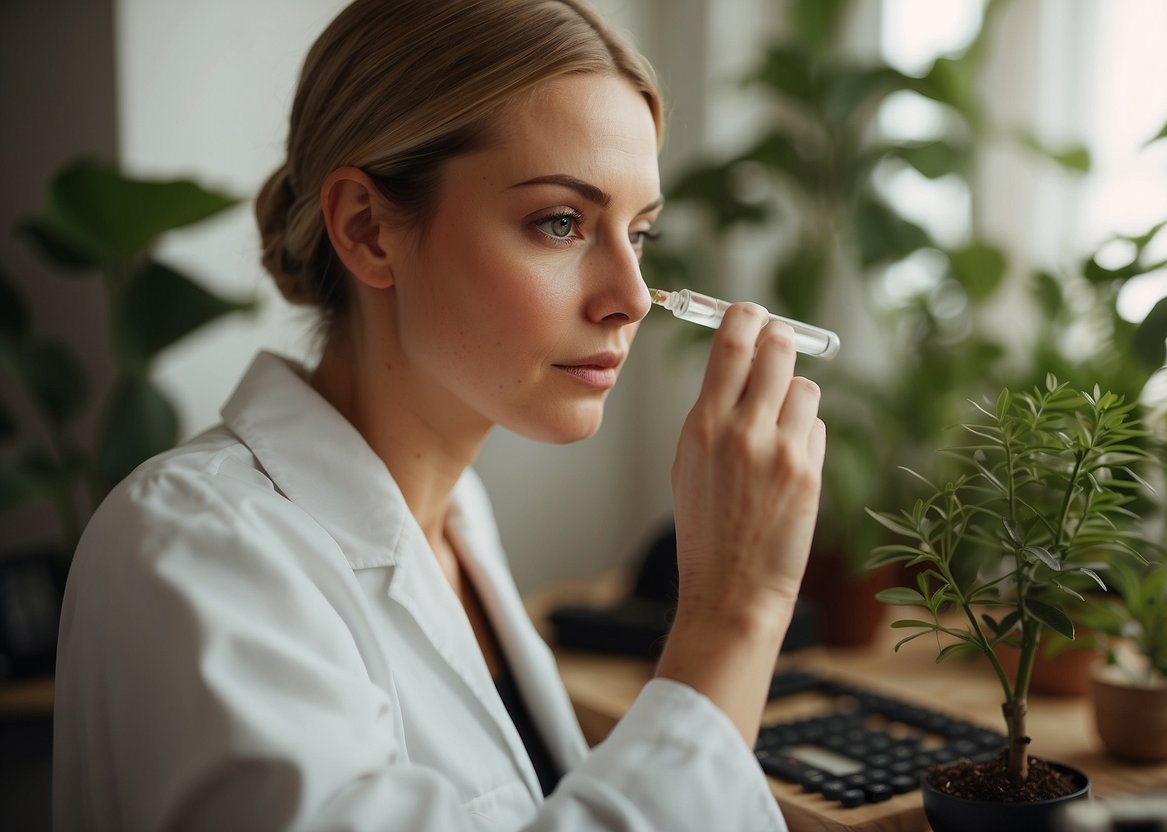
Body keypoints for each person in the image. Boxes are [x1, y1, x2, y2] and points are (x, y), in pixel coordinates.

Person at [52, 0, 826, 829]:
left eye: (637, 234)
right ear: (368, 229)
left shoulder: (456, 523)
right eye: (561, 223)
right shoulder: (190, 550)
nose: (630, 299)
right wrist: (732, 614)